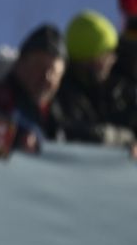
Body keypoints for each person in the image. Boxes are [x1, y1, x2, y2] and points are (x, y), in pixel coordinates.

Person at [0, 24, 68, 153]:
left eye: (54, 72)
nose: (47, 77)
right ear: (20, 64)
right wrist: (16, 137)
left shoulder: (61, 111)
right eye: (39, 67)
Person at [54, 10, 135, 147]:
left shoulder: (121, 88)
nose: (113, 59)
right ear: (88, 61)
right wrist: (126, 138)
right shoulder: (62, 96)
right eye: (106, 54)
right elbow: (68, 132)